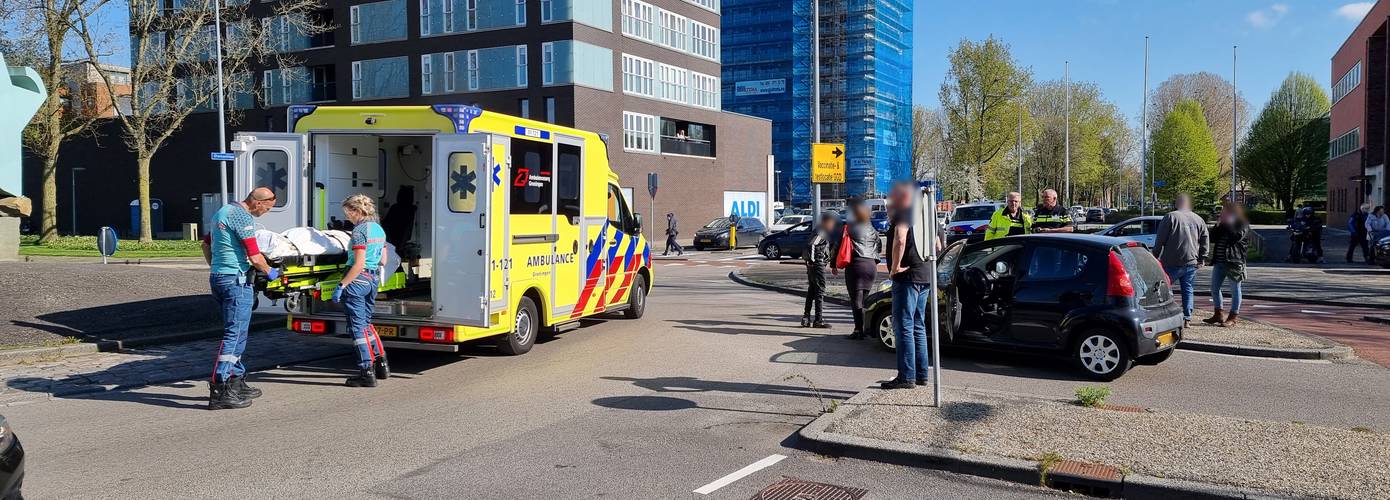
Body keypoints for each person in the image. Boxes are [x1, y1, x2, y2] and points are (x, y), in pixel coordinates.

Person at [202, 187, 281, 410]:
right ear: (258, 202)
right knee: (234, 335)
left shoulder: (223, 212)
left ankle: (236, 381)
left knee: (237, 332)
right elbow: (255, 257)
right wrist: (272, 273)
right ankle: (220, 389)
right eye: (268, 207)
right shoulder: (242, 216)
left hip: (219, 278)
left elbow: (205, 244)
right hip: (236, 282)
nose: (266, 212)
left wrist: (217, 269)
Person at [331, 194, 389, 387]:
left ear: (357, 211)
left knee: (356, 328)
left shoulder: (359, 232)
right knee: (366, 325)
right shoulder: (379, 230)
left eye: (348, 213)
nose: (347, 217)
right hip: (372, 280)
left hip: (357, 280)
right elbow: (383, 261)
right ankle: (382, 364)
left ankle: (366, 371)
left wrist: (341, 285)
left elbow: (358, 264)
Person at [882, 182, 934, 390]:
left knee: (903, 326)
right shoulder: (928, 216)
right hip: (925, 274)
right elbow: (939, 245)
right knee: (918, 325)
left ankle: (906, 376)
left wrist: (894, 267)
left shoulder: (905, 214)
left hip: (907, 277)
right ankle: (921, 375)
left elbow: (900, 239)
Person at [1152, 193, 1209, 327]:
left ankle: (1164, 314)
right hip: (1191, 261)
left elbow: (1160, 239)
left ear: (1177, 203)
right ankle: (1187, 318)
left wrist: (1155, 256)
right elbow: (1205, 239)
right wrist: (1202, 257)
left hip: (1172, 261)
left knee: (1162, 287)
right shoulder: (1198, 219)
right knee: (1188, 289)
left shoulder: (1170, 217)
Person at [840, 199, 882, 340]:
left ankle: (858, 330)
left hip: (856, 266)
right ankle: (864, 328)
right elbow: (879, 247)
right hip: (871, 266)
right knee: (864, 300)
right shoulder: (873, 230)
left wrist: (834, 264)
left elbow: (839, 246)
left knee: (855, 300)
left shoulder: (850, 228)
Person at [1203, 201, 1249, 327]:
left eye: (1226, 210)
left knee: (1235, 289)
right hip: (1219, 262)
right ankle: (1218, 314)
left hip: (1234, 262)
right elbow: (1212, 238)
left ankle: (1233, 317)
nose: (1223, 212)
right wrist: (1218, 225)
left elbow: (1236, 237)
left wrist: (1228, 224)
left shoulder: (1241, 223)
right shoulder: (1223, 224)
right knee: (1214, 288)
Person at [801, 212, 836, 328]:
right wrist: (812, 261)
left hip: (814, 265)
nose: (832, 226)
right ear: (826, 222)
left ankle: (806, 317)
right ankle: (818, 320)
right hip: (817, 265)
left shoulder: (818, 230)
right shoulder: (821, 231)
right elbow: (811, 245)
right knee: (820, 291)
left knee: (811, 291)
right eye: (831, 223)